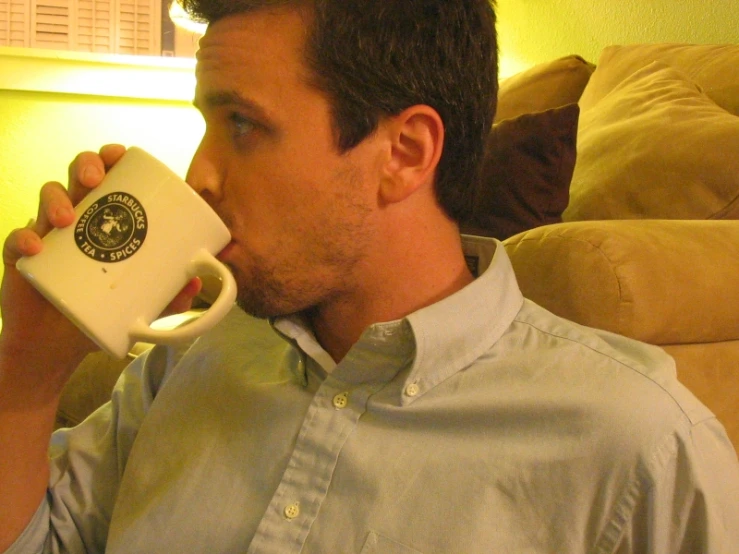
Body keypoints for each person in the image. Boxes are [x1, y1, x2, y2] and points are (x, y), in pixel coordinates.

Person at [1, 0, 737, 552]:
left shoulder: (635, 448)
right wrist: (26, 379)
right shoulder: (188, 362)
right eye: (207, 124)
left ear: (405, 153)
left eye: (244, 125)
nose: (202, 174)